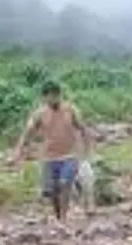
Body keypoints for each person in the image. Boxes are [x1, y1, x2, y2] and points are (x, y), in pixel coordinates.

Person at [10, 82, 92, 222]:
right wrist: (18, 151)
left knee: (65, 183)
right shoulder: (39, 114)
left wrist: (87, 150)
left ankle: (63, 218)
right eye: (51, 96)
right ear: (45, 98)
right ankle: (59, 215)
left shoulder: (70, 110)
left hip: (70, 155)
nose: (54, 99)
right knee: (51, 191)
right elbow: (27, 133)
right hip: (49, 158)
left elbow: (83, 129)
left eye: (57, 95)